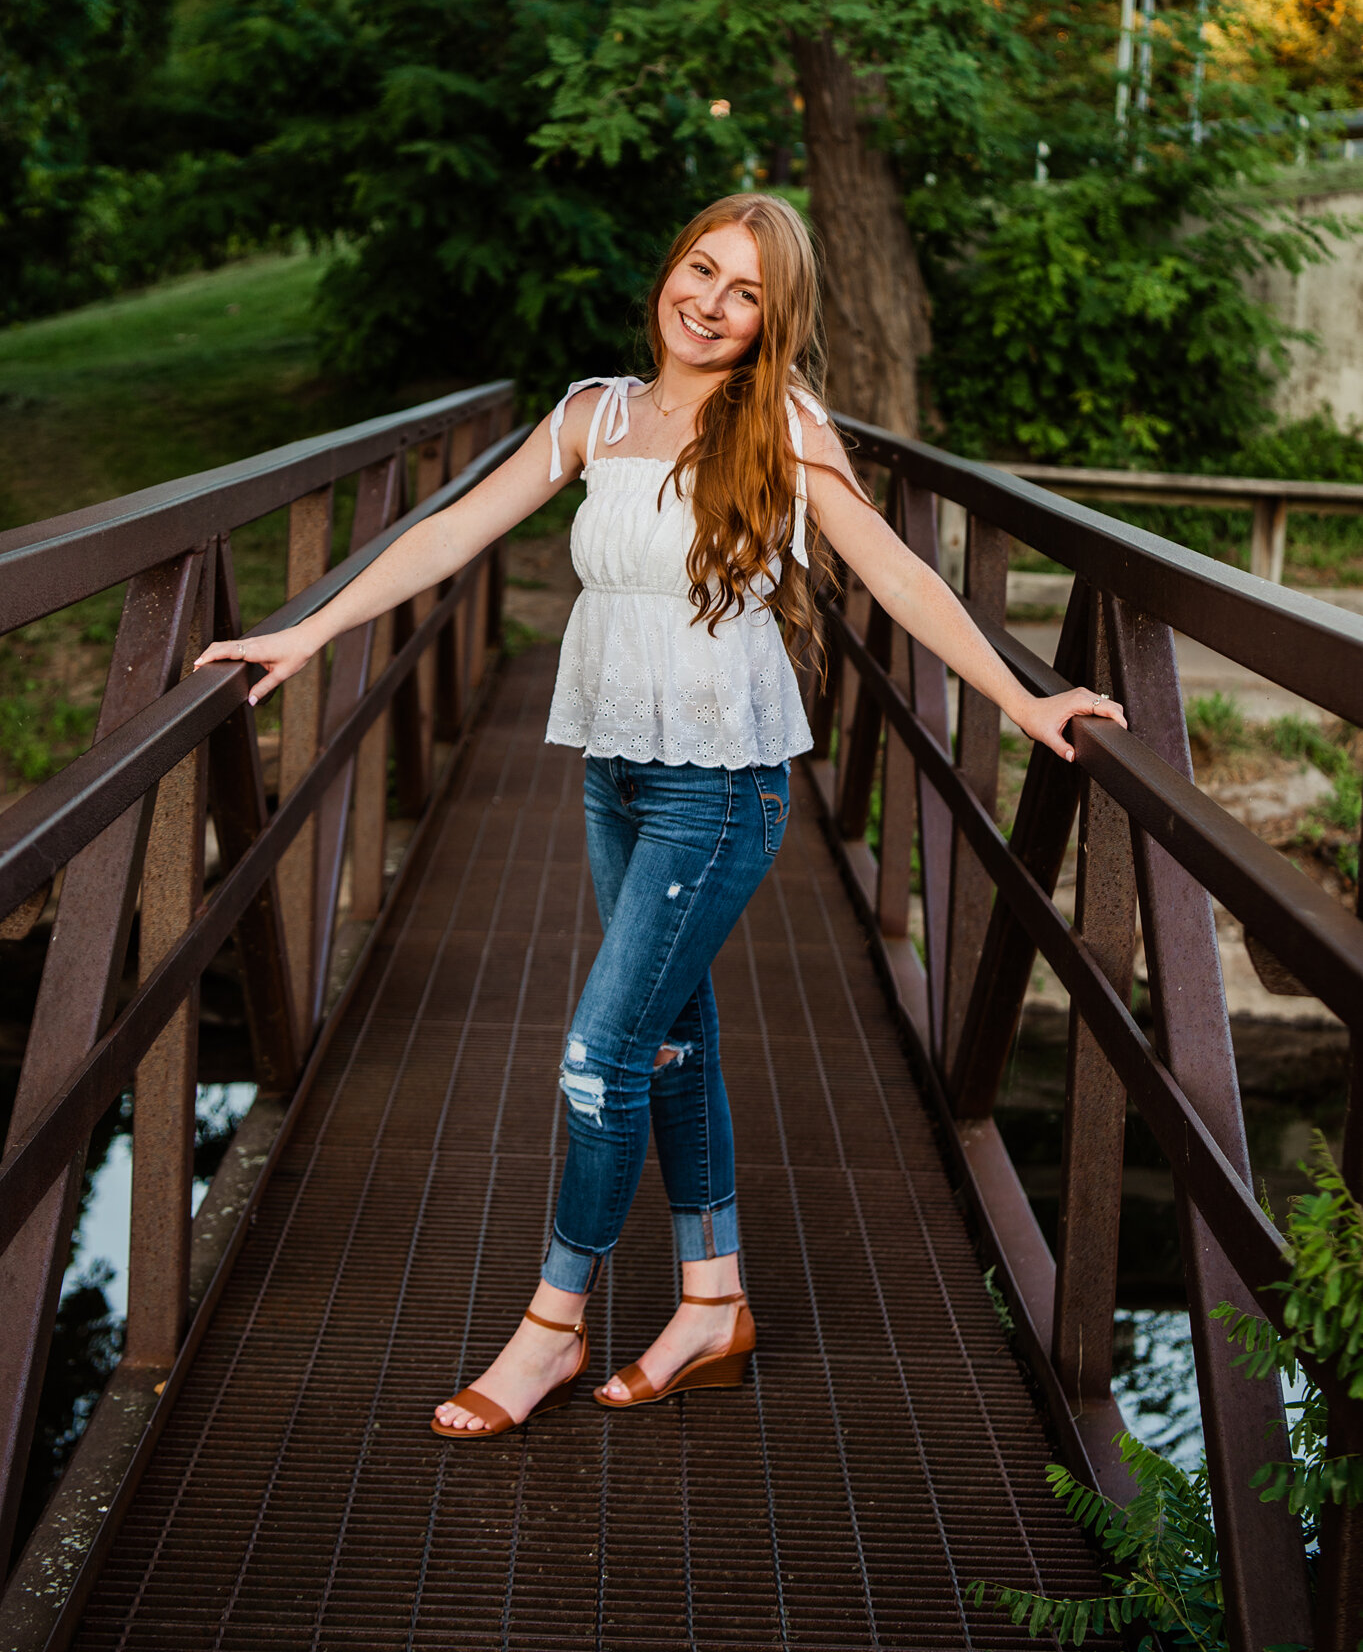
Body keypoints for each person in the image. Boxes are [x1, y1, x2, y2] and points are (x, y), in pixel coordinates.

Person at [195, 193, 1126, 1439]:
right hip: (616, 769)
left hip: (720, 786)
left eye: (746, 293)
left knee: (597, 1059)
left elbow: (896, 571)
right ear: (667, 270)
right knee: (671, 1038)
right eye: (701, 270)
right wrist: (305, 633)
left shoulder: (782, 426)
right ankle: (710, 1303)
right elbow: (458, 527)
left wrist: (1025, 697)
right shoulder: (593, 413)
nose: (711, 303)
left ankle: (549, 1329)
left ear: (771, 321)